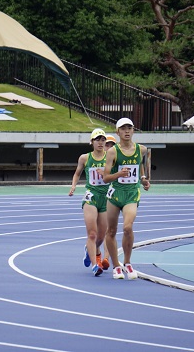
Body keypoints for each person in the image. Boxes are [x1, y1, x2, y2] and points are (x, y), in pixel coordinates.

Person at [103, 117, 150, 280]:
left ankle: (127, 262)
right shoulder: (112, 152)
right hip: (115, 194)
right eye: (123, 128)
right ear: (118, 132)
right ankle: (116, 266)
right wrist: (118, 174)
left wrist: (143, 179)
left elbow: (140, 165)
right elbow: (105, 177)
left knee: (128, 228)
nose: (127, 131)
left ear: (134, 130)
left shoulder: (142, 149)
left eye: (129, 128)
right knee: (111, 231)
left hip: (131, 193)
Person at [68, 128, 108, 277]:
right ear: (91, 142)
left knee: (101, 237)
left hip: (106, 198)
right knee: (92, 234)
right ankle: (94, 265)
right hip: (91, 196)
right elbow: (77, 173)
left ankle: (88, 249)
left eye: (103, 139)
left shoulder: (110, 157)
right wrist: (73, 186)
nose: (100, 142)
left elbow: (115, 175)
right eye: (97, 139)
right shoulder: (85, 158)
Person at [101, 134, 117, 270]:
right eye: (107, 144)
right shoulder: (95, 158)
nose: (109, 147)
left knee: (108, 230)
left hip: (110, 196)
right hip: (96, 198)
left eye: (112, 145)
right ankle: (92, 249)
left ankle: (106, 258)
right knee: (97, 232)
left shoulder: (116, 160)